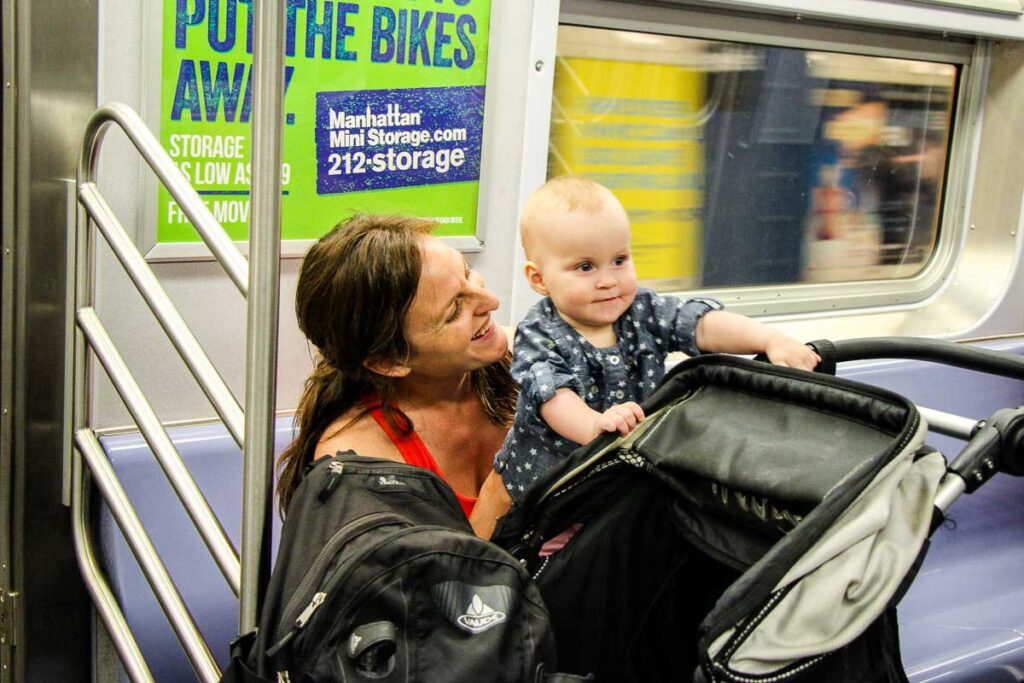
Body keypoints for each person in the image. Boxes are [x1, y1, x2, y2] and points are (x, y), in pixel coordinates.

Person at [495, 177, 820, 498]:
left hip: (630, 472)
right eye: (585, 267)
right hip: (552, 487)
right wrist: (596, 427)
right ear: (539, 279)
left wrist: (769, 340)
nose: (608, 280)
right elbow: (555, 400)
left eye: (619, 260)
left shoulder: (643, 310)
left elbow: (702, 326)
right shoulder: (539, 333)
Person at [276, 214, 516, 538]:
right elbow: (442, 585)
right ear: (389, 362)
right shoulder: (360, 466)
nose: (491, 302)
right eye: (454, 310)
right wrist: (501, 494)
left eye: (467, 272)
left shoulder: (531, 363)